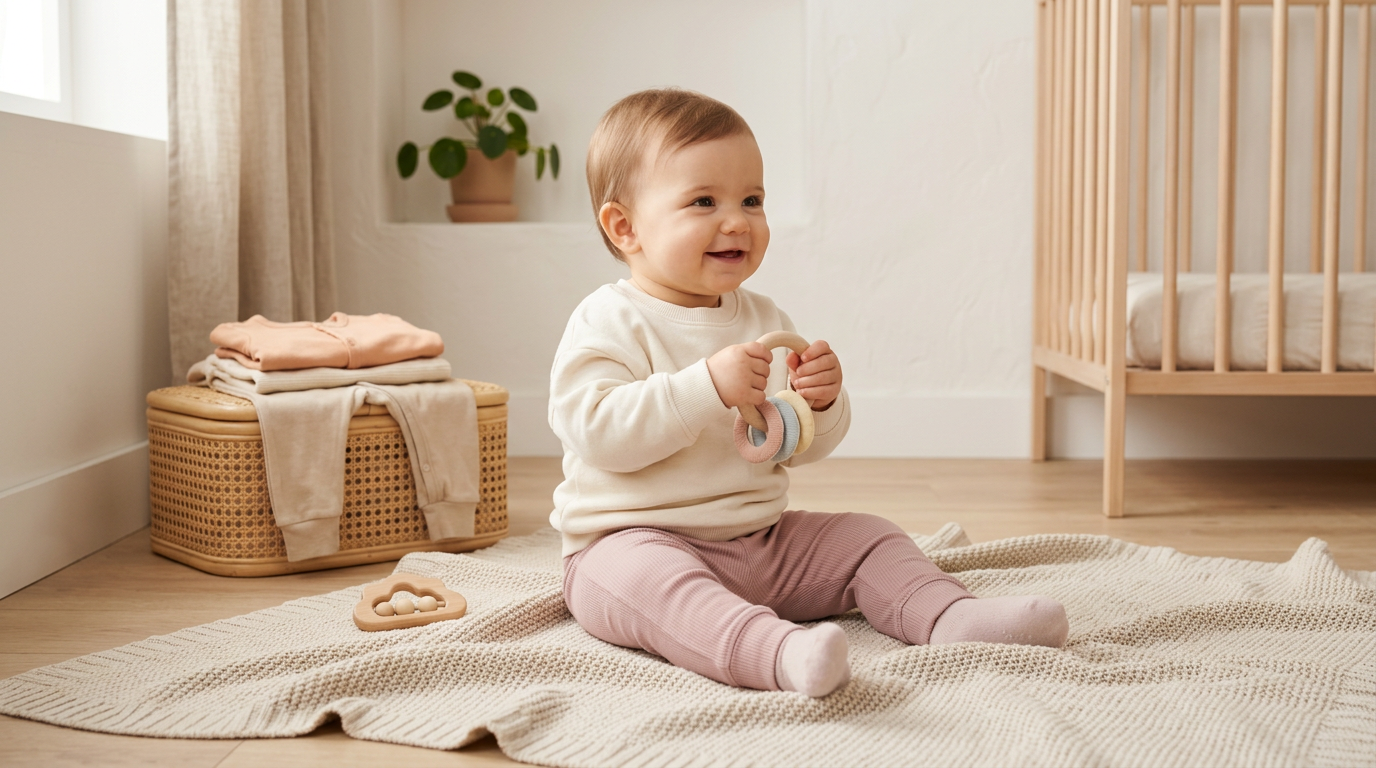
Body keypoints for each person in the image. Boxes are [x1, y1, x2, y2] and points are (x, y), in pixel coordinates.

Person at [548, 88, 1068, 697]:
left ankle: (948, 616)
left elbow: (787, 445)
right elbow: (597, 432)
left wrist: (818, 405)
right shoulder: (608, 318)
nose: (737, 219)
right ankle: (777, 653)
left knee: (868, 535)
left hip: (761, 542)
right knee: (651, 584)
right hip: (631, 544)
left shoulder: (761, 315)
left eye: (752, 199)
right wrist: (702, 387)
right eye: (703, 201)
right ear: (625, 226)